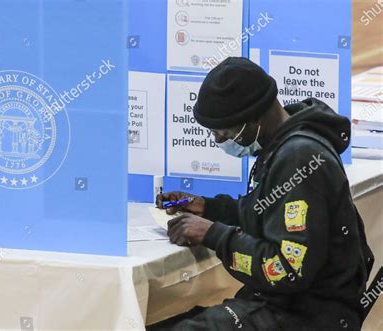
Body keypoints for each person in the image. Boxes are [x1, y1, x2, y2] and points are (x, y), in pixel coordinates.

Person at [150, 57, 374, 331]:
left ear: (255, 118)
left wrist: (212, 234)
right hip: (287, 304)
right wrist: (208, 208)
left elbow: (286, 270)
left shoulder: (299, 157)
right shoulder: (285, 145)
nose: (219, 141)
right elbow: (271, 215)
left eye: (223, 132)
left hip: (308, 315)